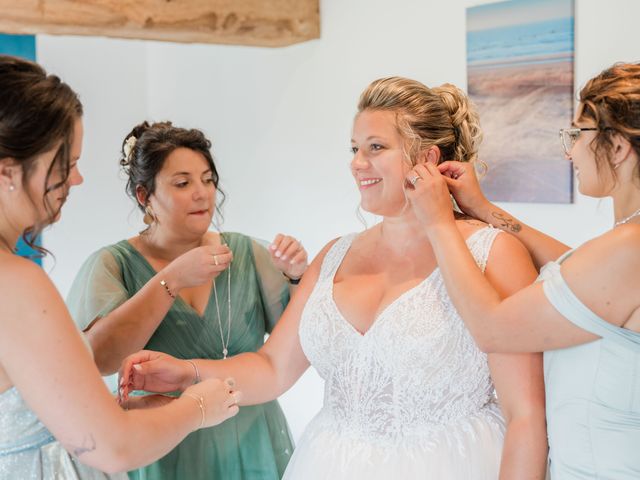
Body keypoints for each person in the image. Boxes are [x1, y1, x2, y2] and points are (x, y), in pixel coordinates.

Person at [119, 77, 549, 479]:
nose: (357, 164)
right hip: (331, 462)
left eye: (375, 147)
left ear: (427, 158)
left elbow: (526, 414)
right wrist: (187, 372)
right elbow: (272, 368)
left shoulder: (493, 253)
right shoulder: (336, 255)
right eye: (354, 148)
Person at [0, 55, 240, 479]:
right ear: (8, 173)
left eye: (206, 180)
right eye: (66, 164)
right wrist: (198, 406)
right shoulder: (17, 282)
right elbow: (113, 448)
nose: (77, 180)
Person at [400, 62, 640, 479]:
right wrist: (485, 210)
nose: (569, 151)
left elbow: (492, 329)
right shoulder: (622, 249)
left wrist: (439, 224)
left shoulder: (628, 249)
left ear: (617, 147)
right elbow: (576, 270)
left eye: (577, 135)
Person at [66, 121, 307, 480]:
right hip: (165, 447)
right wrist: (171, 280)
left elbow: (297, 343)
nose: (202, 193)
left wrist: (296, 276)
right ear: (145, 196)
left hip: (251, 440)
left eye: (208, 180)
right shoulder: (111, 265)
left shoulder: (244, 253)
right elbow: (102, 357)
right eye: (183, 183)